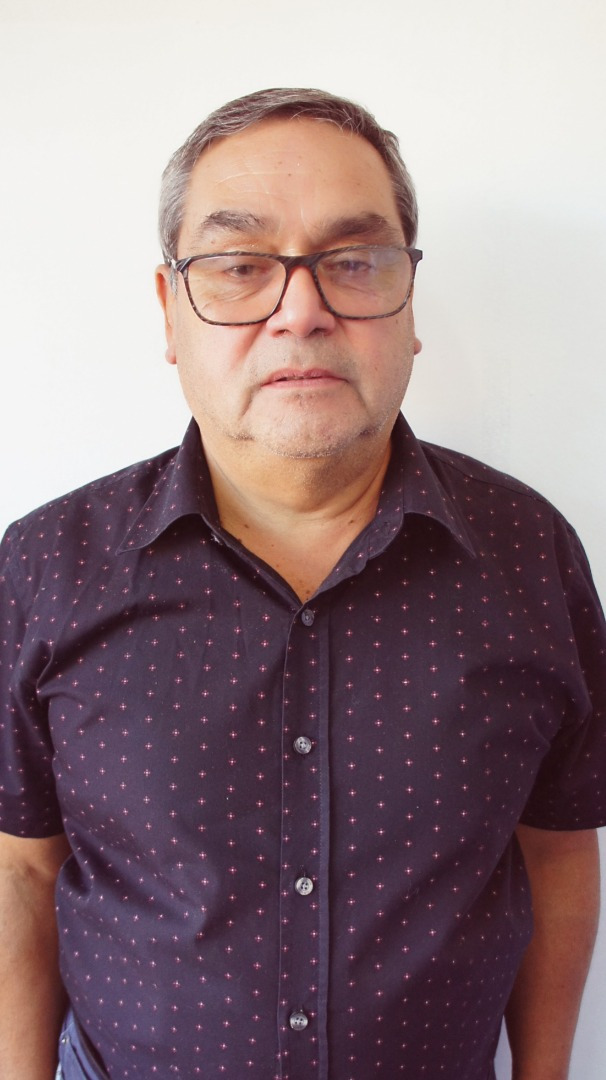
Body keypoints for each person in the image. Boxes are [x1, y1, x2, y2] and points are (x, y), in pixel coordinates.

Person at [1, 88, 605, 1080]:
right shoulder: (47, 565)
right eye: (241, 266)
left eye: (353, 261)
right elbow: (22, 868)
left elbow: (558, 849)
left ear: (410, 301)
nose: (302, 311)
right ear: (170, 311)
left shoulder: (529, 553)